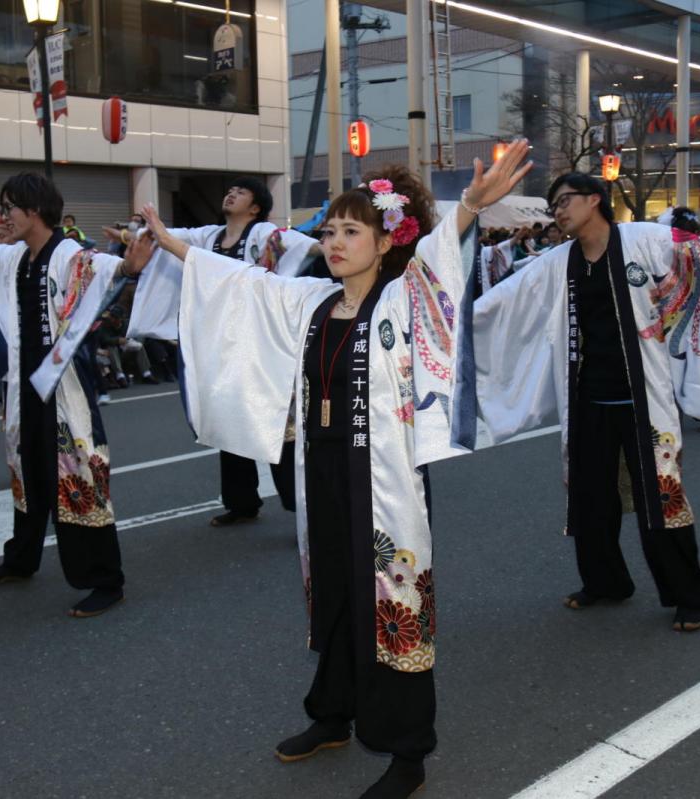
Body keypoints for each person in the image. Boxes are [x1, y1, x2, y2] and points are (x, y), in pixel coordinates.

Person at [140, 144, 533, 799]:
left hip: (386, 481)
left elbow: (442, 255)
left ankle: (407, 751)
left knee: (392, 601)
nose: (335, 241)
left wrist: (469, 204)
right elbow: (243, 284)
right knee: (336, 594)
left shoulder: (405, 298)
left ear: (387, 240)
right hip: (322, 472)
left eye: (353, 230)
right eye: (329, 230)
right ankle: (332, 714)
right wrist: (169, 243)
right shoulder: (312, 303)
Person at [472, 174, 700, 633]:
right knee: (590, 498)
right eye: (554, 205)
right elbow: (504, 300)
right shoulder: (556, 262)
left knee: (661, 498)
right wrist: (451, 325)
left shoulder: (644, 239)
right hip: (587, 400)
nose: (558, 211)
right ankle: (606, 582)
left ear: (594, 200)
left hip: (643, 398)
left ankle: (688, 595)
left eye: (565, 201)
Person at [0, 174, 137, 618]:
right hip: (24, 385)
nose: (4, 216)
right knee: (30, 474)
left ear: (36, 209)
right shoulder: (19, 258)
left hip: (65, 388)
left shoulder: (67, 254)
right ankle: (21, 559)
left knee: (78, 476)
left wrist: (128, 266)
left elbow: (103, 268)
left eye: (10, 207)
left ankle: (106, 579)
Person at [128, 176, 320, 527]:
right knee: (229, 420)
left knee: (282, 424)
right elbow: (171, 240)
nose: (231, 194)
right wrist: (138, 236)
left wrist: (336, 241)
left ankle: (301, 507)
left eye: (241, 192)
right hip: (221, 344)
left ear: (256, 207)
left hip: (260, 344)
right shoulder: (209, 237)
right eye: (229, 190)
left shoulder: (263, 235)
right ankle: (242, 502)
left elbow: (301, 246)